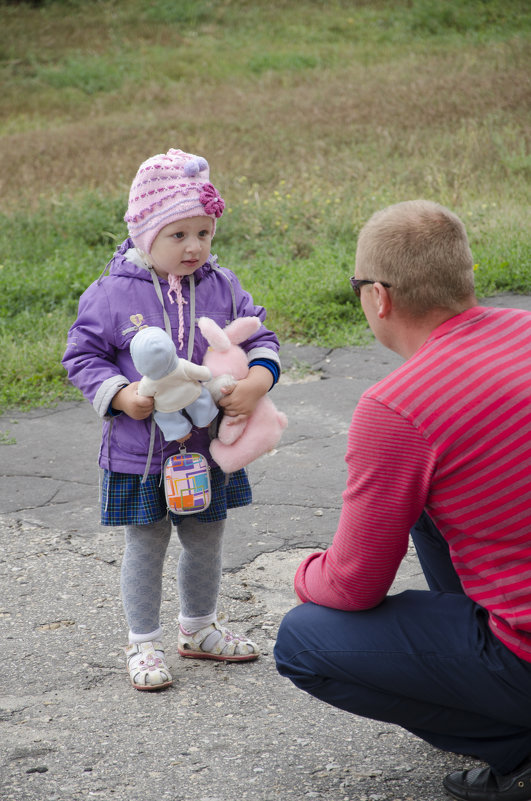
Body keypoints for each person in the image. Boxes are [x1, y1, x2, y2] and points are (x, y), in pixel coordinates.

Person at [274, 200, 531, 801]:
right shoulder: (525, 330)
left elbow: (353, 585)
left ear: (379, 296)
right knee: (423, 504)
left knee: (304, 642)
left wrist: (308, 571)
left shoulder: (398, 407)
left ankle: (516, 751)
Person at [63, 147, 281, 691]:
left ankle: (199, 629)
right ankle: (143, 643)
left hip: (207, 449)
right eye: (177, 235)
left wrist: (258, 381)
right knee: (147, 544)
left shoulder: (223, 287)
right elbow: (81, 356)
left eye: (203, 233)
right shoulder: (112, 294)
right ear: (144, 235)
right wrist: (118, 395)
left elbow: (262, 338)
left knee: (208, 538)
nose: (193, 247)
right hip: (142, 454)